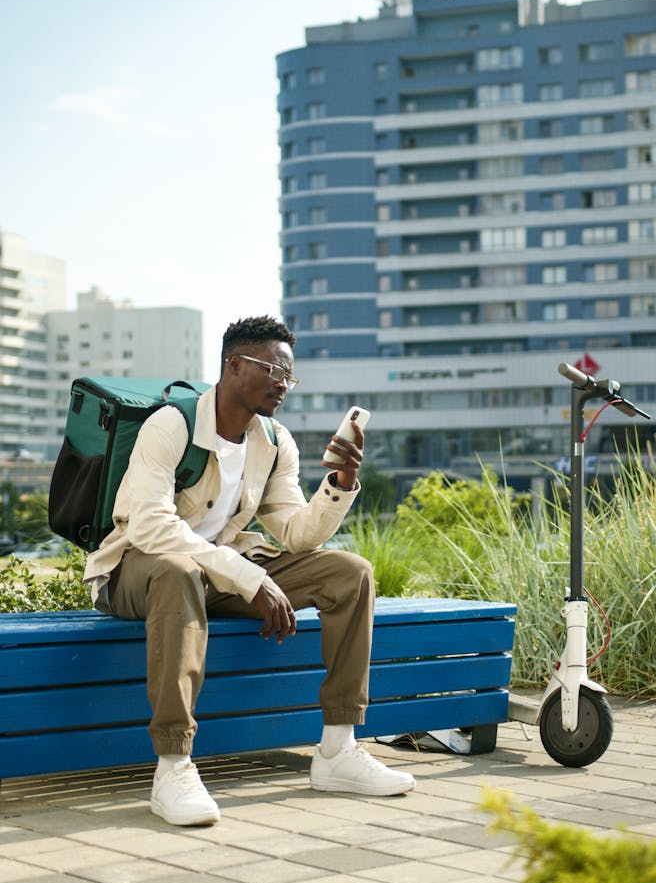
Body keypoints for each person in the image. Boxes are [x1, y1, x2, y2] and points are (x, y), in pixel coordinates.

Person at [85, 316, 415, 826]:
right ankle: (173, 766)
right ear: (234, 366)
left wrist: (340, 483)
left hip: (216, 574)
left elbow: (297, 534)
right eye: (274, 370)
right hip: (137, 571)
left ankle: (337, 750)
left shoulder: (274, 440)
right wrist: (247, 576)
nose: (283, 384)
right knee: (178, 572)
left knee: (350, 572)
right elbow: (150, 527)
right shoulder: (171, 425)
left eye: (289, 376)